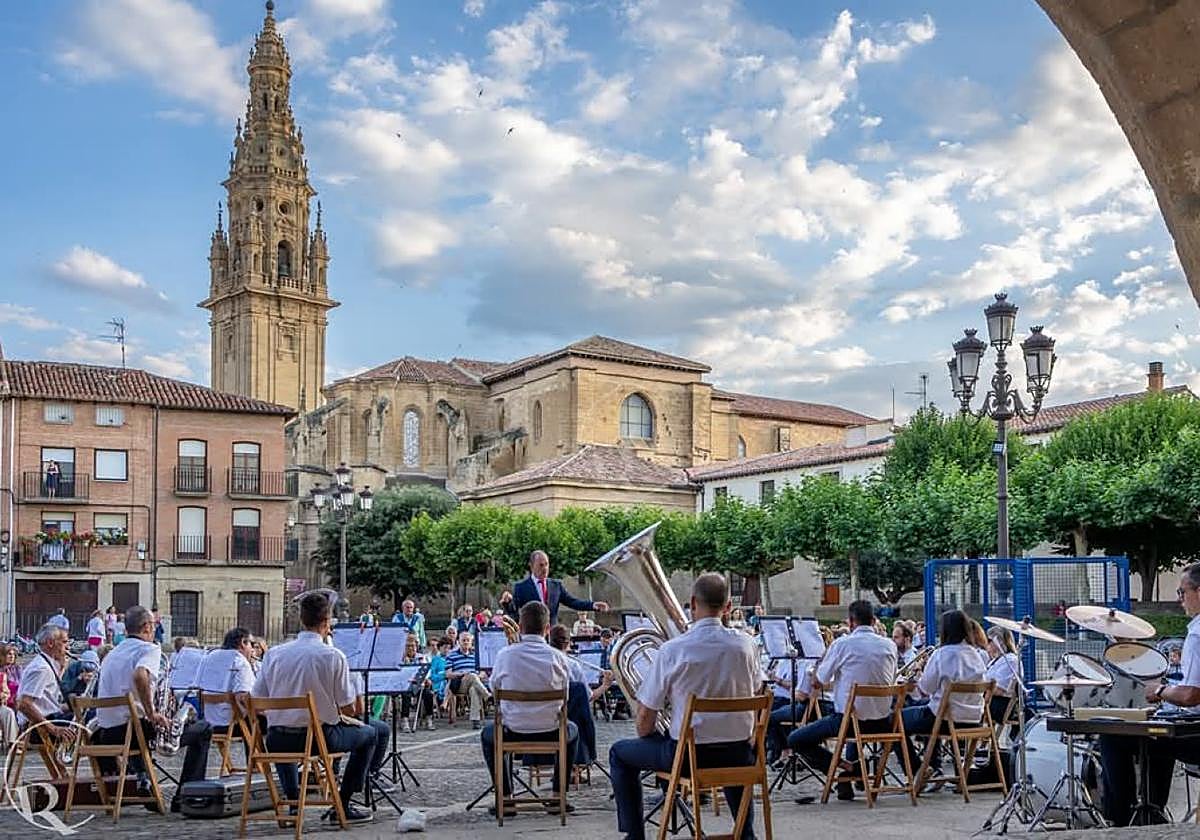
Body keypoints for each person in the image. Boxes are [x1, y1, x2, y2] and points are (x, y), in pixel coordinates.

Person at [609, 573, 760, 840]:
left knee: (619, 753)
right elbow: (756, 691)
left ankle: (635, 836)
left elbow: (645, 720)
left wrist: (655, 731)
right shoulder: (747, 645)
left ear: (692, 603)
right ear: (727, 607)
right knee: (731, 743)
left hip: (690, 759)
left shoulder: (672, 650)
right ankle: (745, 833)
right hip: (741, 756)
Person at [252, 592, 388, 825]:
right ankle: (342, 805)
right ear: (326, 623)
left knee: (285, 734)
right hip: (319, 739)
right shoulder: (332, 655)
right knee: (370, 734)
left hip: (277, 740)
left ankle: (293, 804)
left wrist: (285, 713)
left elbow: (256, 699)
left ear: (301, 620)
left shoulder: (274, 654)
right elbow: (348, 710)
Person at [1100, 564, 1200, 825]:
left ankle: (1121, 821)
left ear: (1199, 592)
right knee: (1157, 737)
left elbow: (1191, 695)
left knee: (1113, 735)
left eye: (1182, 592)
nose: (1180, 600)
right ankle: (1153, 812)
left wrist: (1160, 690)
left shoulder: (1198, 633)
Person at [93, 605, 212, 813]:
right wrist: (152, 712)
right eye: (154, 625)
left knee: (140, 724)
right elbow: (140, 675)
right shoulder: (149, 649)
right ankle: (186, 796)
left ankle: (144, 780)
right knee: (203, 729)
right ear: (147, 627)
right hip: (132, 731)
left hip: (106, 732)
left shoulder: (112, 652)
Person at [786, 601, 898, 801]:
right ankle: (849, 773)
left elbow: (819, 682)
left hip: (849, 723)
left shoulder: (843, 644)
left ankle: (843, 768)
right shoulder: (889, 644)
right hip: (883, 723)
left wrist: (816, 672)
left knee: (796, 738)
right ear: (873, 621)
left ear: (851, 622)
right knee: (851, 713)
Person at [481, 602, 579, 814]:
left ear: (520, 626)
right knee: (573, 731)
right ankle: (557, 794)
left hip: (512, 731)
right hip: (552, 732)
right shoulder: (559, 658)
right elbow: (566, 698)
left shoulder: (504, 655)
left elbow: (494, 690)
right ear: (547, 629)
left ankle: (505, 797)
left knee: (488, 735)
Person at [900, 609, 987, 780]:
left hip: (945, 719)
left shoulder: (942, 654)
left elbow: (925, 689)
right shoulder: (976, 655)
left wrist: (911, 684)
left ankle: (919, 770)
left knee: (895, 721)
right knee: (927, 712)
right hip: (973, 719)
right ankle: (934, 766)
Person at [196, 628, 258, 764]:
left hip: (208, 722)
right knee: (260, 721)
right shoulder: (239, 661)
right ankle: (254, 766)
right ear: (243, 643)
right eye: (251, 644)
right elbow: (243, 697)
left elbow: (199, 690)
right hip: (231, 723)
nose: (252, 649)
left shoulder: (209, 657)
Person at [502, 550, 608, 625]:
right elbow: (514, 612)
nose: (545, 569)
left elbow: (572, 602)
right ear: (531, 565)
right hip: (532, 637)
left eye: (546, 564)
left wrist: (593, 605)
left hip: (552, 634)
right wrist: (507, 603)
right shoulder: (521, 588)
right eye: (541, 565)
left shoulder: (556, 585)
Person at [14, 624, 75, 746]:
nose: (67, 647)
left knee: (87, 714)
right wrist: (53, 728)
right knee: (94, 720)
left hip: (46, 719)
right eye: (64, 642)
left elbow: (46, 701)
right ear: (50, 643)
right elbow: (24, 704)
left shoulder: (46, 664)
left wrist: (61, 668)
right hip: (38, 727)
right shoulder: (41, 669)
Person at [443, 632, 489, 727]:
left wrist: (478, 676)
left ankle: (475, 720)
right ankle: (487, 695)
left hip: (475, 682)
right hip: (459, 683)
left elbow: (483, 672)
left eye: (468, 640)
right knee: (471, 676)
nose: (466, 642)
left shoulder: (476, 655)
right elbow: (448, 674)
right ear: (458, 642)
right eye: (463, 640)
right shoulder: (451, 656)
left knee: (474, 690)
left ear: (471, 642)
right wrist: (461, 673)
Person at [984, 626, 1021, 732]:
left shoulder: (1010, 660)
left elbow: (1000, 690)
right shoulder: (996, 660)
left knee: (957, 708)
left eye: (989, 640)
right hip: (989, 701)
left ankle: (960, 744)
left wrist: (975, 689)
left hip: (998, 704)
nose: (987, 643)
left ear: (999, 641)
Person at [398, 634, 435, 732]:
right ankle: (404, 719)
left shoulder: (422, 658)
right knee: (406, 694)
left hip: (419, 684)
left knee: (428, 694)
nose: (411, 648)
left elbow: (427, 672)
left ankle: (429, 718)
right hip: (405, 685)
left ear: (417, 646)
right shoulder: (399, 658)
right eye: (408, 646)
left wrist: (426, 679)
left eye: (413, 646)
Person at [428, 636, 450, 705]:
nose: (447, 650)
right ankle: (444, 703)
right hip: (438, 684)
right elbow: (432, 676)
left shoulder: (452, 659)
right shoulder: (435, 660)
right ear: (440, 647)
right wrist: (444, 675)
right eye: (445, 648)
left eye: (449, 648)